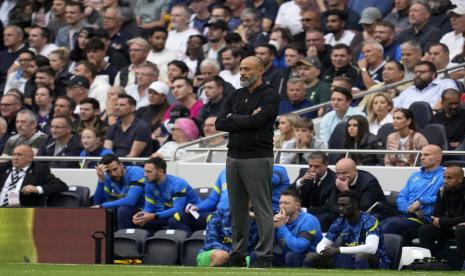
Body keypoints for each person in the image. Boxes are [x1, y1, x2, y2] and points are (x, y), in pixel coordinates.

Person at [215, 55, 280, 268]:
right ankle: (237, 254)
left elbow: (258, 120)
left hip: (258, 156)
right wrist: (241, 119)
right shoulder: (235, 95)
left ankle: (264, 255)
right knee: (237, 209)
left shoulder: (270, 95)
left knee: (262, 208)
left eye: (248, 69)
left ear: (260, 71)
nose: (242, 73)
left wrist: (234, 119)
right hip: (233, 156)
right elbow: (219, 123)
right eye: (241, 69)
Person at [303, 190, 390, 269]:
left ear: (356, 205)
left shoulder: (370, 221)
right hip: (347, 257)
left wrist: (338, 250)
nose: (340, 208)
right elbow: (323, 243)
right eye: (339, 205)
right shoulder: (339, 222)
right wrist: (323, 252)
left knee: (361, 256)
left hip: (375, 261)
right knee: (311, 257)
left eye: (344, 205)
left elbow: (371, 248)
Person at [382, 145, 444, 243]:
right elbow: (402, 197)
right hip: (407, 215)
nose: (422, 157)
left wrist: (421, 201)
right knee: (379, 223)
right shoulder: (415, 176)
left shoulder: (445, 176)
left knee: (391, 224)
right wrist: (408, 208)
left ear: (438, 157)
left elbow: (444, 198)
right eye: (421, 155)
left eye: (426, 155)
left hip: (425, 219)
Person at [132, 157, 201, 235]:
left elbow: (177, 209)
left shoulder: (178, 183)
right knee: (143, 222)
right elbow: (148, 208)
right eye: (144, 171)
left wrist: (154, 216)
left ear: (161, 171)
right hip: (172, 213)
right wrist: (142, 216)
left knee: (174, 220)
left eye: (149, 172)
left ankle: (187, 242)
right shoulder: (149, 184)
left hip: (193, 213)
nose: (145, 175)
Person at [418, 165, 465, 265]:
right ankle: (436, 263)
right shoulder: (442, 191)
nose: (445, 181)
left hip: (460, 228)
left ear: (460, 179)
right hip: (449, 226)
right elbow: (436, 215)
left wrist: (443, 221)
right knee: (425, 230)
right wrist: (441, 221)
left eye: (449, 178)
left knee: (461, 230)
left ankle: (462, 265)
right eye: (444, 177)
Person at [0, 145, 67, 207]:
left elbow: (60, 185)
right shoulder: (3, 168)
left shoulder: (39, 170)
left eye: (19, 155)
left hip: (23, 210)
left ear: (30, 158)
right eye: (14, 154)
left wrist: (37, 189)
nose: (15, 158)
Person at [270, 188, 322, 267]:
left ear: (297, 205)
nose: (282, 206)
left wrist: (282, 227)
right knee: (259, 255)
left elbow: (298, 248)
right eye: (280, 203)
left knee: (291, 256)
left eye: (286, 203)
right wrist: (272, 227)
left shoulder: (309, 220)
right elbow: (267, 245)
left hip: (308, 258)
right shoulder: (280, 220)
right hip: (286, 255)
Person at [93, 153, 145, 230]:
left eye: (115, 169)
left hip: (147, 209)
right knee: (106, 210)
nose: (113, 174)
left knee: (123, 210)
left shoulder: (136, 172)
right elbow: (98, 202)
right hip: (132, 210)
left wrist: (101, 206)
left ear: (121, 165)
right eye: (109, 171)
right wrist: (101, 179)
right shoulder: (107, 177)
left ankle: (122, 239)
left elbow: (130, 201)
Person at [290, 151, 337, 231]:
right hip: (302, 212)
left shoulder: (334, 179)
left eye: (316, 166)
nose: (312, 169)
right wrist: (301, 181)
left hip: (321, 214)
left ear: (326, 165)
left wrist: (305, 210)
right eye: (310, 166)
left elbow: (329, 207)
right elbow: (288, 193)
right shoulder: (304, 172)